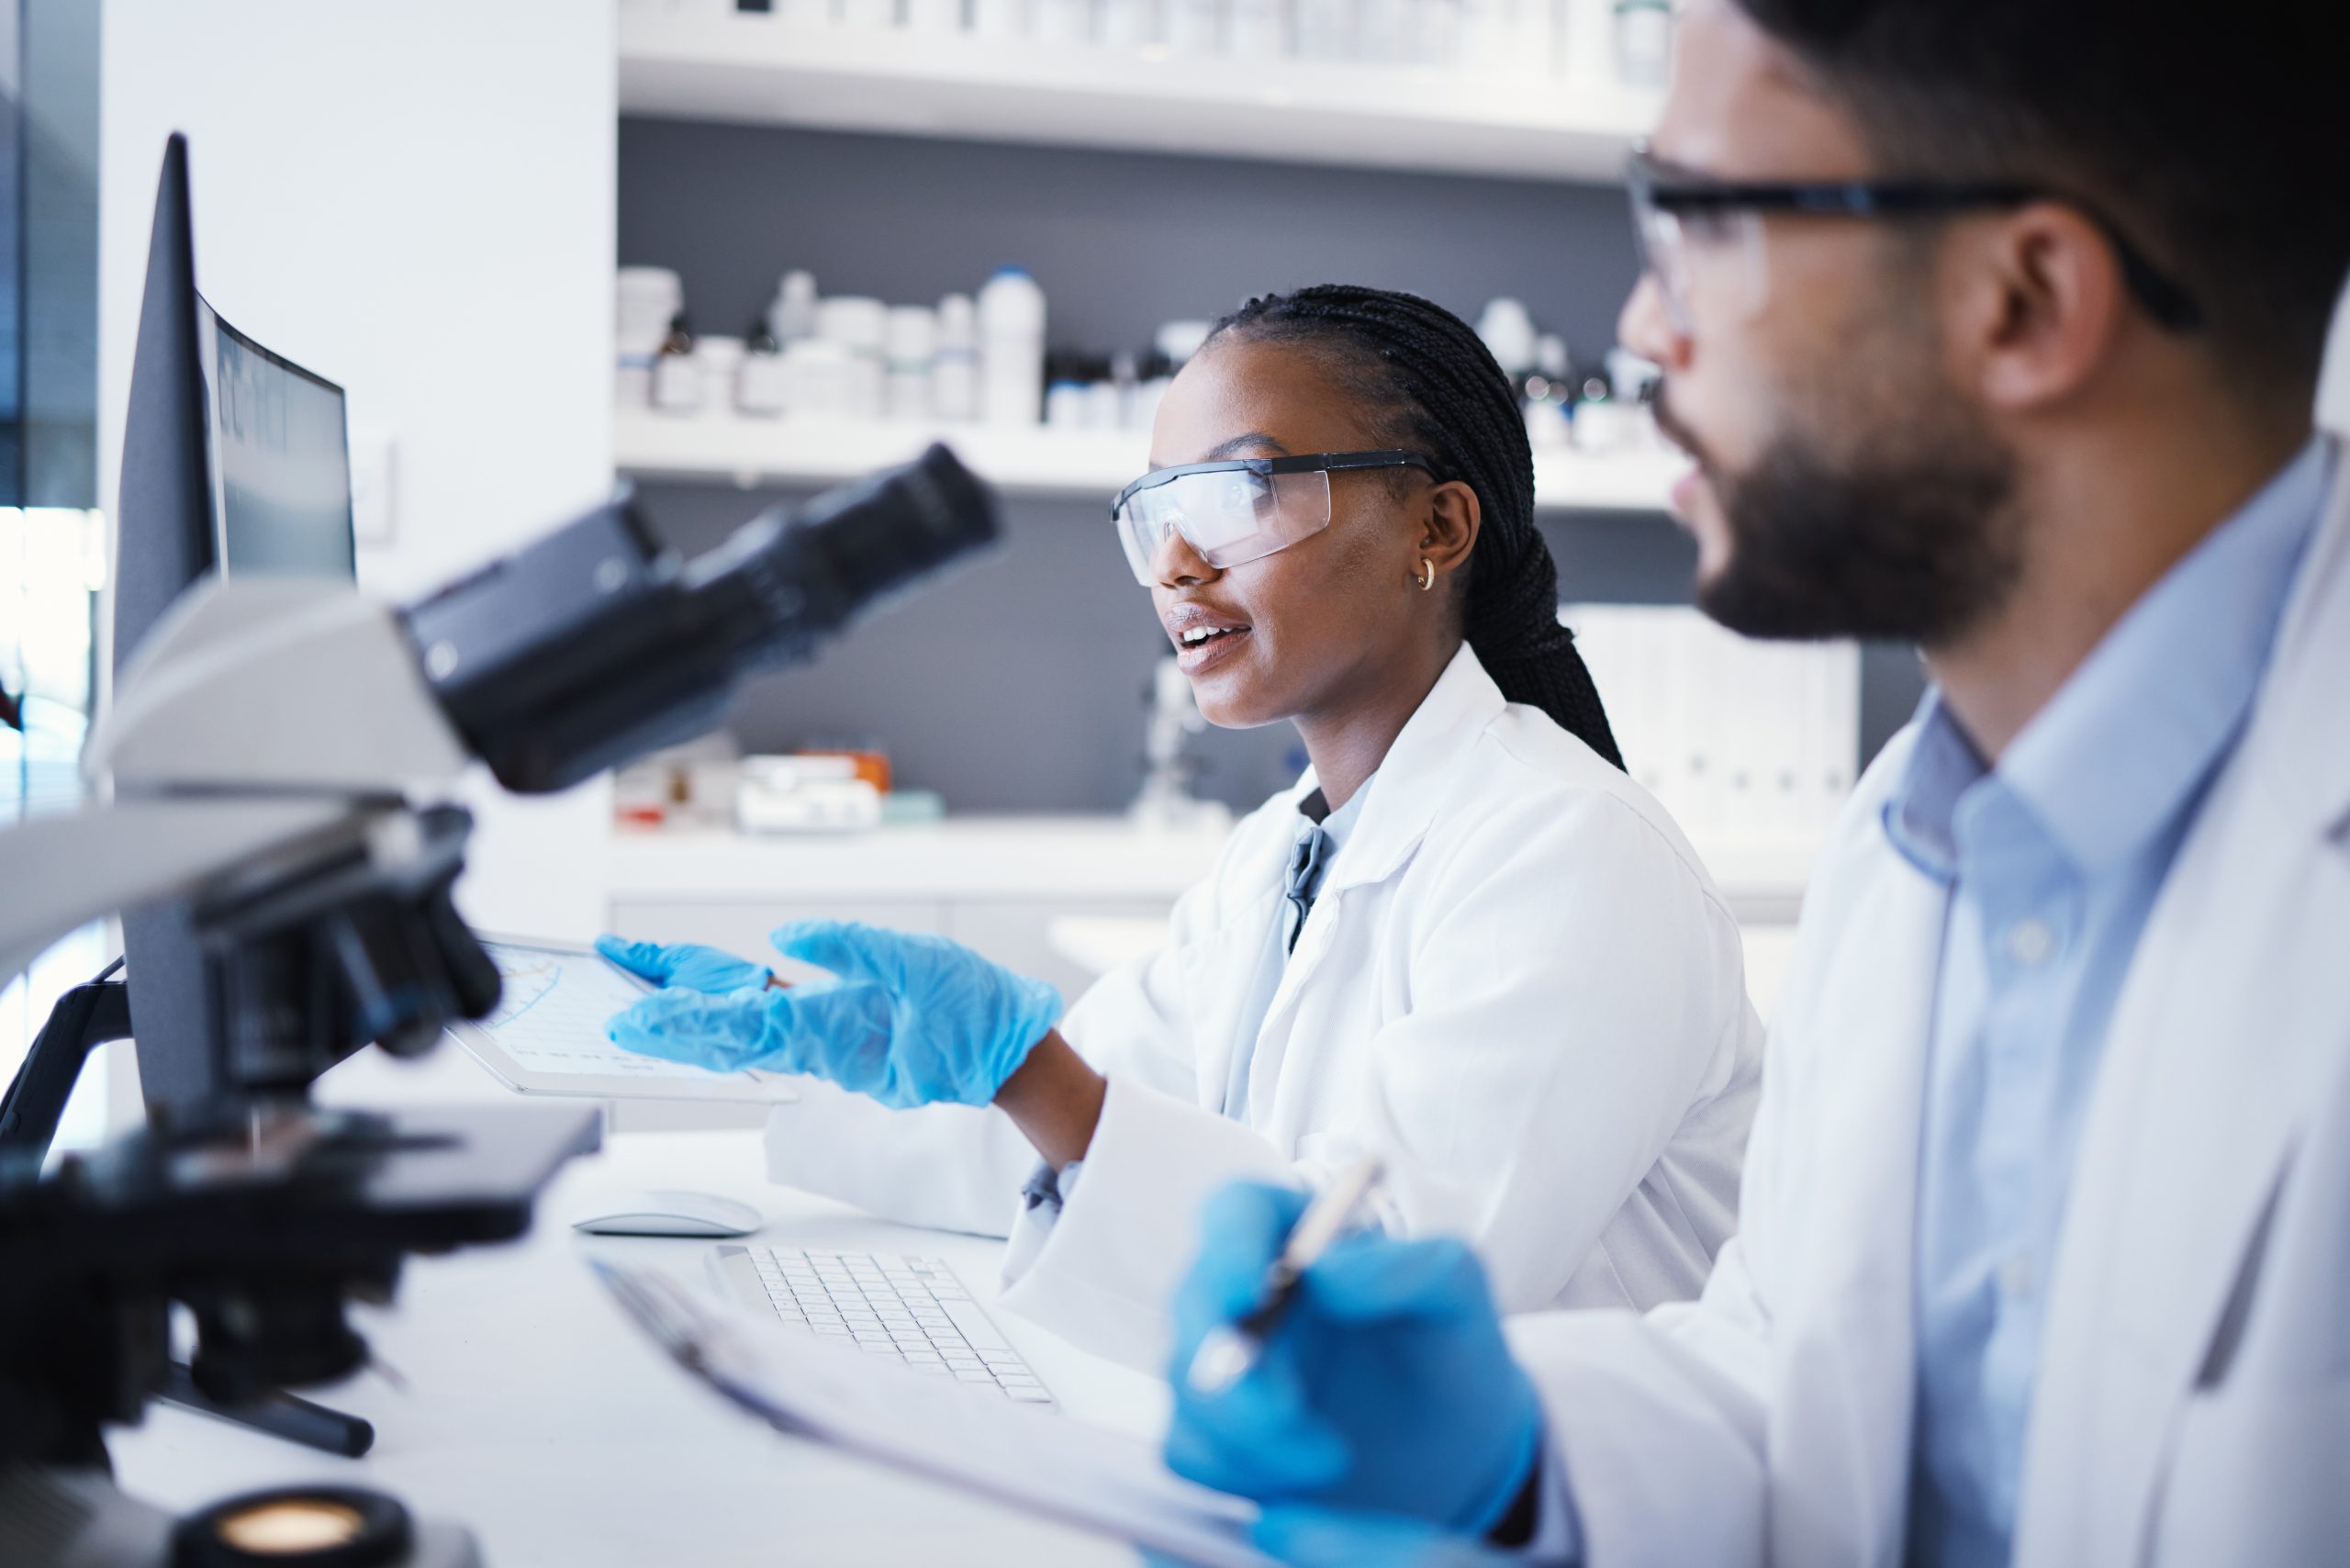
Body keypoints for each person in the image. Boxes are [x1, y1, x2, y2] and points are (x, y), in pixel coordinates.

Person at [1159, 2, 2350, 1563]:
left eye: (1705, 224)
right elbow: (1799, 1389)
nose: (1648, 330)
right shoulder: (1910, 837)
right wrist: (1514, 1457)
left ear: (2024, 298)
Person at [599, 286, 1763, 1368]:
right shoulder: (1278, 855)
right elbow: (1060, 1139)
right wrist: (806, 1041)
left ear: (1437, 528)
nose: (1174, 562)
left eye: (1239, 494)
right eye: (1155, 508)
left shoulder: (1574, 852)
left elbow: (1385, 1280)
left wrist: (1030, 1072)